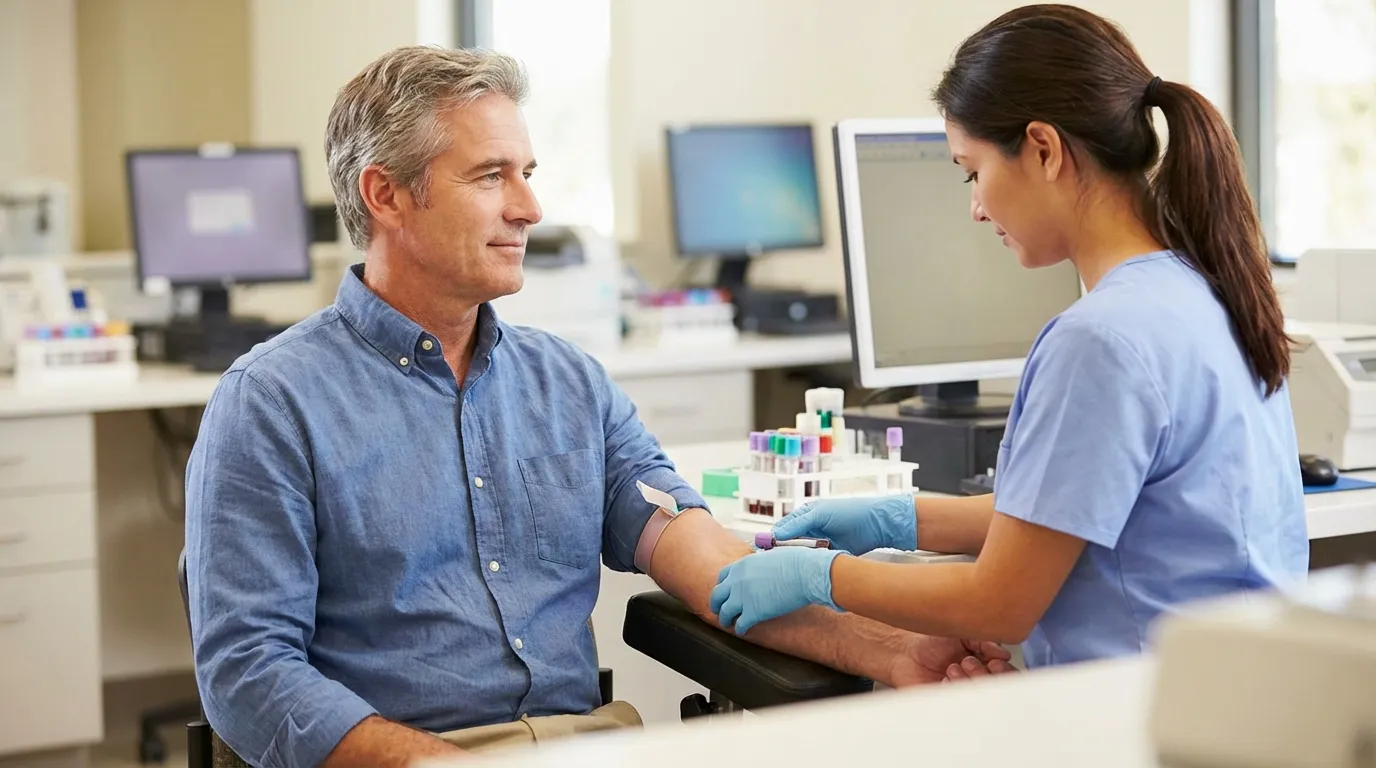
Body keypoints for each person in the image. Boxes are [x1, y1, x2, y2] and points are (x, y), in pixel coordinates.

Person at [184, 45, 1009, 768]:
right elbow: (248, 673)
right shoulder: (271, 406)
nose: (529, 209)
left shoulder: (569, 386)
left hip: (589, 742)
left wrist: (896, 651)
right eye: (489, 177)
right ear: (386, 196)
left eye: (528, 174)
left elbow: (717, 572)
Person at [710, 4, 1309, 672]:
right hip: (1240, 695)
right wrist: (899, 517)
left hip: (1140, 718)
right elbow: (1059, 516)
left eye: (972, 172)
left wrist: (821, 579)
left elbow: (1000, 601)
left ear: (1044, 149)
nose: (975, 206)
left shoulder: (1100, 340)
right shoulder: (1206, 290)